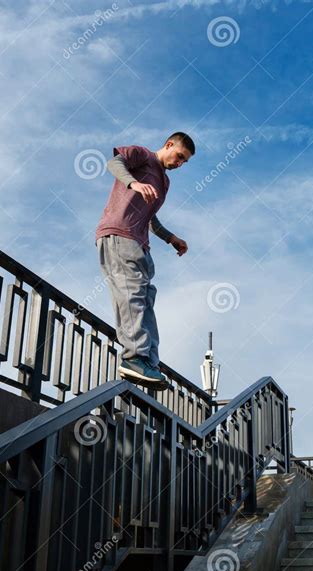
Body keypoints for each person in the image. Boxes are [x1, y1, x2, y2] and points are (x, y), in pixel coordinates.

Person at [95, 132, 195, 389]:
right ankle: (133, 358)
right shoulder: (142, 155)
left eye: (185, 162)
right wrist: (133, 184)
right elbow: (114, 163)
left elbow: (151, 218)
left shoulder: (164, 182)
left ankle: (149, 362)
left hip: (140, 244)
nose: (180, 164)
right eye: (179, 156)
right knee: (131, 293)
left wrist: (171, 238)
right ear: (169, 145)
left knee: (146, 298)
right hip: (119, 233)